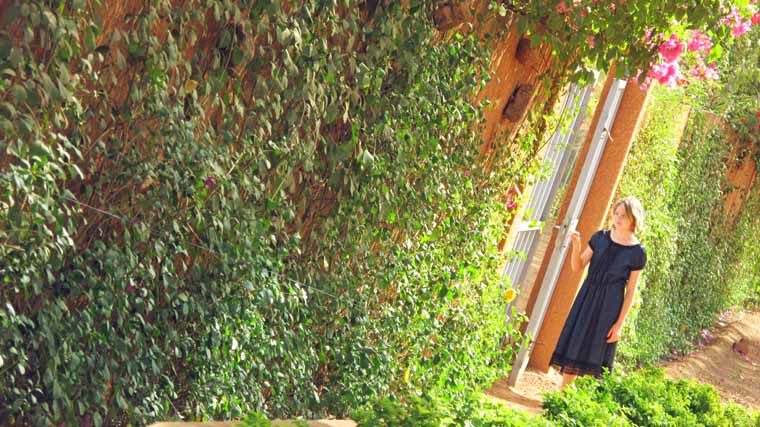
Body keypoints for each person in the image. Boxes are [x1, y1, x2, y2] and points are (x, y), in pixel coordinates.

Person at [550, 196, 647, 389]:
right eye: (616, 213)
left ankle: (580, 399)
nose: (618, 218)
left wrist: (619, 325)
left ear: (633, 218)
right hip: (587, 297)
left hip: (610, 306)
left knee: (596, 350)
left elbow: (630, 292)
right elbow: (578, 266)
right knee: (576, 343)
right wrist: (576, 246)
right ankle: (564, 394)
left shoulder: (638, 252)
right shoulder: (600, 238)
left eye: (623, 215)